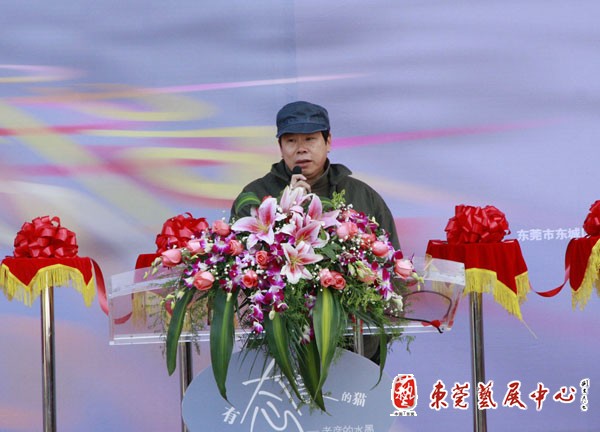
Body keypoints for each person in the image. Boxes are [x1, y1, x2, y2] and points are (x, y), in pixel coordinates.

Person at [230, 100, 400, 362]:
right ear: (280, 147)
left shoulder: (361, 196)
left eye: (310, 139)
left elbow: (391, 266)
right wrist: (288, 208)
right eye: (291, 141)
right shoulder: (255, 196)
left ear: (328, 141)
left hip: (354, 345)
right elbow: (239, 266)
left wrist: (379, 334)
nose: (301, 149)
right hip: (279, 344)